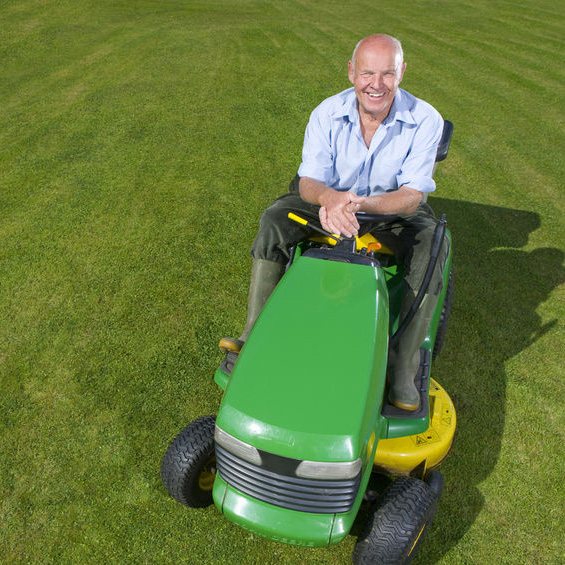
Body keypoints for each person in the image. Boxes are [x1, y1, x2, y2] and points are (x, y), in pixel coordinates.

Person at [219, 34, 449, 412]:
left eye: (387, 73)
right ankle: (253, 334)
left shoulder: (426, 120)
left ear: (402, 72)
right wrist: (330, 199)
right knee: (275, 219)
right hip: (330, 200)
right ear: (351, 73)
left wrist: (362, 204)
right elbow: (309, 181)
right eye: (367, 73)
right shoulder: (326, 112)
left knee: (433, 245)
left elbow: (411, 195)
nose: (376, 84)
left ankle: (403, 366)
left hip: (390, 208)